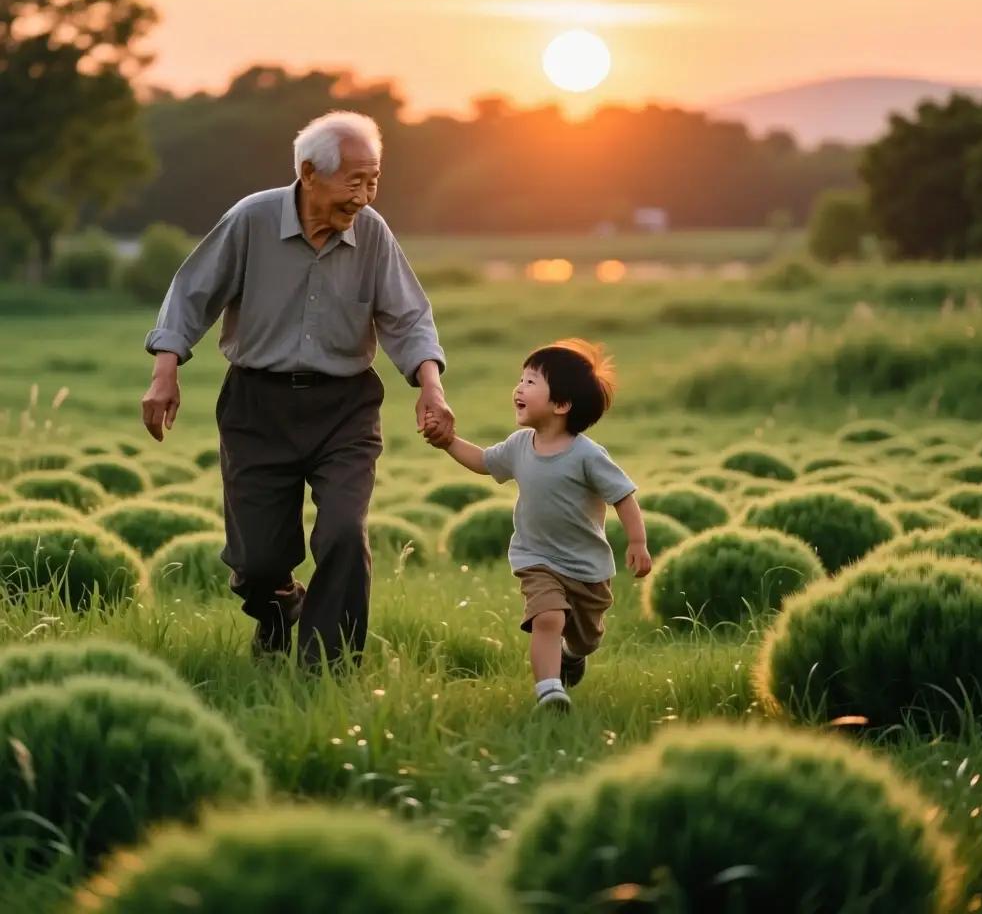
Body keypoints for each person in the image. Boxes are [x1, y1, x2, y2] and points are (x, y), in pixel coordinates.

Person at [140, 110, 453, 667]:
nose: (365, 194)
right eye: (353, 180)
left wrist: (430, 385)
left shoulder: (373, 234)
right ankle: (281, 606)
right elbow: (192, 294)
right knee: (257, 561)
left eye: (374, 179)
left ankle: (327, 670)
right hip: (257, 405)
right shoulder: (252, 220)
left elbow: (407, 317)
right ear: (309, 173)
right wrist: (166, 370)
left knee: (341, 534)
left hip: (345, 408)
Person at [423, 339, 651, 710]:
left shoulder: (587, 455)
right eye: (521, 379)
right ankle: (549, 691)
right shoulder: (518, 445)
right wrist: (448, 442)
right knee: (547, 617)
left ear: (561, 405)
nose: (519, 388)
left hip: (586, 566)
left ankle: (572, 655)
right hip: (537, 557)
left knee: (586, 639)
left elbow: (623, 497)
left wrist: (637, 542)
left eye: (531, 382)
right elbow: (483, 461)